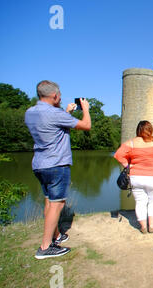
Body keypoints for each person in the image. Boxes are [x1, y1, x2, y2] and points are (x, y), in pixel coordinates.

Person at [25, 80, 91, 259]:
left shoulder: (30, 113)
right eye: (59, 95)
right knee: (57, 204)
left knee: (49, 201)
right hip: (56, 165)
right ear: (54, 95)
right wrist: (85, 108)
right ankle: (46, 247)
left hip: (39, 164)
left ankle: (56, 236)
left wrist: (66, 113)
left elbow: (51, 126)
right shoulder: (54, 114)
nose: (61, 97)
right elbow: (86, 125)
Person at [114, 120, 153, 234]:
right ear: (151, 130)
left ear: (138, 130)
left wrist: (128, 166)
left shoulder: (131, 143)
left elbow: (118, 155)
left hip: (136, 178)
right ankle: (152, 226)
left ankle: (143, 227)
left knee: (140, 202)